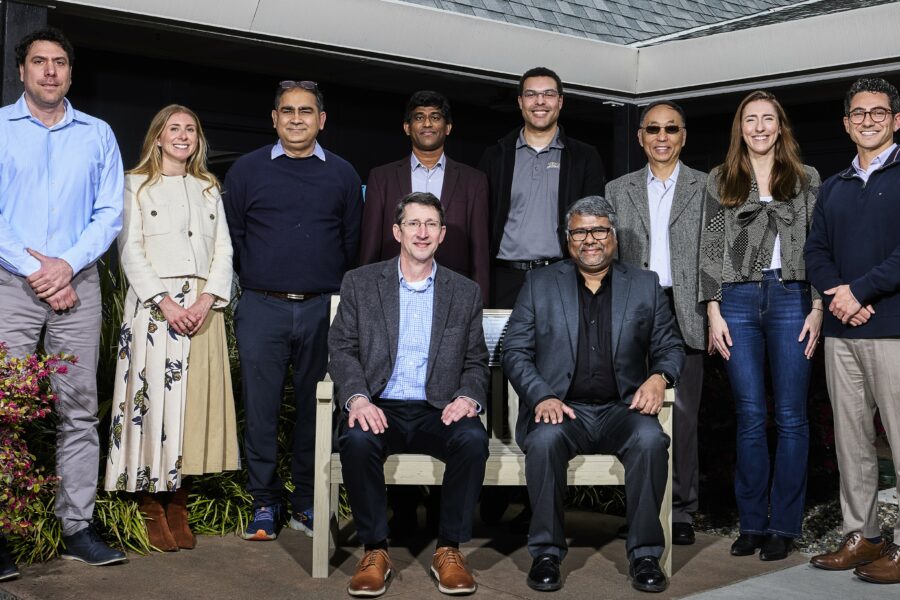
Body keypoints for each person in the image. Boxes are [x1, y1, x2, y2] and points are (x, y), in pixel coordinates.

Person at [503, 196, 683, 593]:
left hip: (623, 409)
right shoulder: (540, 284)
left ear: (614, 237)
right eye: (581, 231)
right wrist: (541, 396)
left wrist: (659, 378)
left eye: (599, 230)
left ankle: (645, 555)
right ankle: (546, 554)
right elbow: (514, 350)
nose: (591, 239)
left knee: (652, 440)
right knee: (545, 440)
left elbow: (670, 346)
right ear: (568, 240)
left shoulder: (644, 284)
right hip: (563, 410)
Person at [0, 27, 126, 567]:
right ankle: (2, 531)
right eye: (38, 62)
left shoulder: (97, 134)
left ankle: (77, 527)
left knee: (77, 411)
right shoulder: (0, 130)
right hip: (11, 284)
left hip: (80, 286)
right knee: (5, 410)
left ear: (70, 73)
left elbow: (110, 212)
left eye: (59, 62)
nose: (49, 71)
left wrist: (66, 266)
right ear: (22, 71)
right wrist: (39, 270)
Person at [329, 192, 489, 597]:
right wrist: (358, 398)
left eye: (431, 224)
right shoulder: (361, 283)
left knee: (472, 439)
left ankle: (450, 549)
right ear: (397, 231)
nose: (422, 232)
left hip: (439, 408)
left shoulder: (464, 291)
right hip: (379, 404)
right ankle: (375, 551)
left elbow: (475, 361)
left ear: (442, 234)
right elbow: (342, 349)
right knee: (357, 439)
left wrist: (469, 398)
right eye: (414, 224)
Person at [223, 80, 362, 541]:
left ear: (322, 120)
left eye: (306, 111)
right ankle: (263, 503)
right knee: (260, 410)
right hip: (262, 307)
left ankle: (306, 501)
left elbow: (350, 242)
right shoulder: (246, 171)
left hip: (324, 309)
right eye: (287, 111)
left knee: (317, 409)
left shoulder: (342, 174)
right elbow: (235, 238)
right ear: (274, 118)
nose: (296, 119)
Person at [103, 104, 238, 552]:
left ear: (198, 140)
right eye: (173, 128)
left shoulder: (207, 187)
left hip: (203, 308)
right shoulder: (134, 184)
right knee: (152, 403)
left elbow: (224, 250)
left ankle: (177, 498)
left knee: (190, 408)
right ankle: (148, 499)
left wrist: (205, 300)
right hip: (154, 308)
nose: (183, 136)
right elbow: (130, 250)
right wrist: (164, 302)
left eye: (190, 130)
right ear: (157, 136)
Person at [699, 90, 822, 561]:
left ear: (780, 125)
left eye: (767, 119)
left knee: (791, 417)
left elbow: (819, 245)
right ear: (740, 128)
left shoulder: (807, 178)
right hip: (738, 298)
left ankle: (783, 527)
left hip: (792, 296)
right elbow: (709, 248)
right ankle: (751, 523)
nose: (758, 127)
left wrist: (817, 306)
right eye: (750, 120)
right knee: (750, 416)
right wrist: (712, 309)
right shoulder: (722, 178)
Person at [805, 77, 900, 584]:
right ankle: (864, 536)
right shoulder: (834, 186)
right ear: (846, 123)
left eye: (878, 111)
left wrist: (857, 292)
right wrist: (840, 293)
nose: (868, 119)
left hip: (893, 331)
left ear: (896, 119)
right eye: (858, 113)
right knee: (853, 443)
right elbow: (815, 251)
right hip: (843, 335)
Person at [605, 100, 707, 545]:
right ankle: (642, 509)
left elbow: (715, 257)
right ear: (640, 136)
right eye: (652, 129)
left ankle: (682, 511)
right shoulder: (617, 189)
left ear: (683, 136)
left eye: (671, 129)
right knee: (635, 414)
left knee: (682, 416)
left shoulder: (708, 187)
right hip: (634, 311)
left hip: (686, 309)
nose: (661, 137)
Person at [479, 67, 606, 308]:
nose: (540, 101)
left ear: (560, 101)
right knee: (504, 346)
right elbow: (482, 222)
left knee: (560, 346)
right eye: (531, 94)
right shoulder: (495, 156)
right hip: (504, 279)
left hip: (561, 275)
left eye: (548, 94)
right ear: (520, 102)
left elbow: (595, 225)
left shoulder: (584, 157)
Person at [359, 90, 490, 303]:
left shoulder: (473, 181)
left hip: (454, 292)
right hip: (392, 289)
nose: (427, 123)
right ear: (407, 127)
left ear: (447, 128)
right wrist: (364, 298)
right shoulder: (381, 177)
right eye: (419, 117)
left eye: (435, 117)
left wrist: (481, 306)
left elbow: (480, 253)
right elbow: (370, 246)